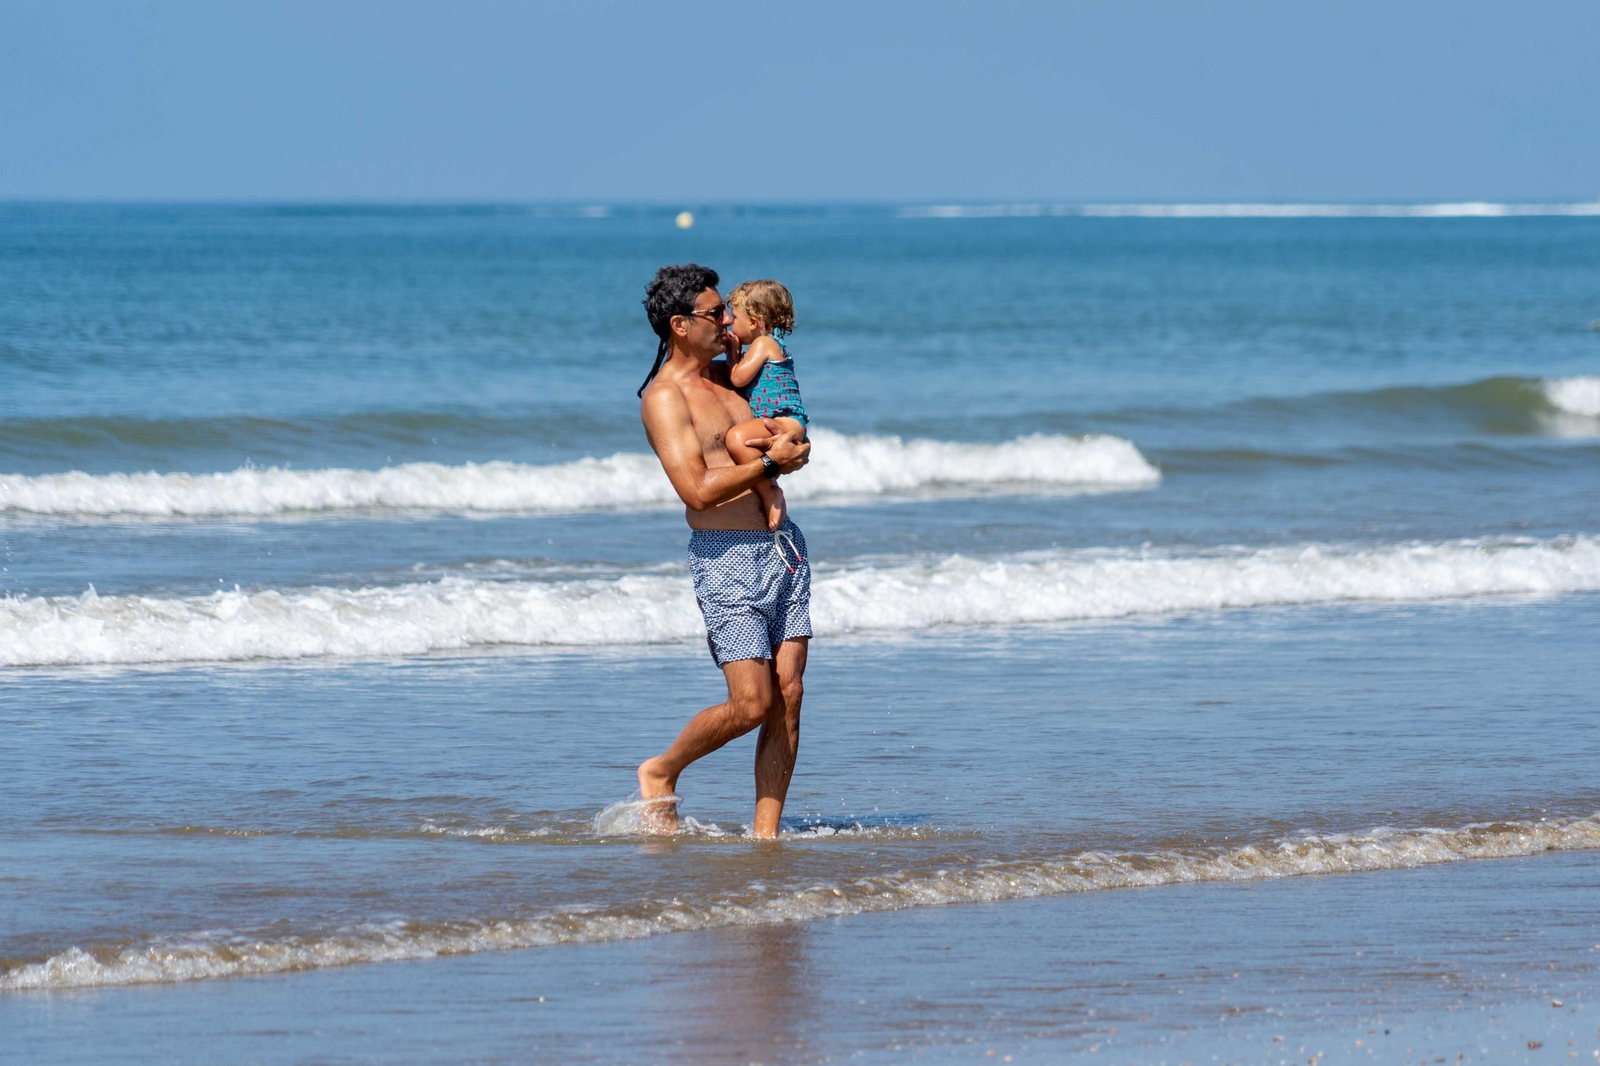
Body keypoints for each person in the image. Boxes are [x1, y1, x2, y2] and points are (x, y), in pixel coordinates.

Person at [633, 264, 813, 839]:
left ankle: (767, 838)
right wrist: (768, 464)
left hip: (783, 549)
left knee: (788, 694)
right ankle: (661, 770)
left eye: (727, 311)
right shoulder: (665, 398)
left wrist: (793, 444)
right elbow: (695, 489)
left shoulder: (732, 374)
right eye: (716, 314)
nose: (728, 321)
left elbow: (783, 417)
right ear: (680, 325)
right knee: (752, 701)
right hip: (726, 557)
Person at [721, 280, 809, 532]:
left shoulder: (763, 344)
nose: (729, 321)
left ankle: (770, 490)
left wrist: (731, 352)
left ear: (754, 322)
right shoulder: (769, 345)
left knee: (737, 438)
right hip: (788, 420)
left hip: (785, 420)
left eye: (735, 316)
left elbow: (737, 377)